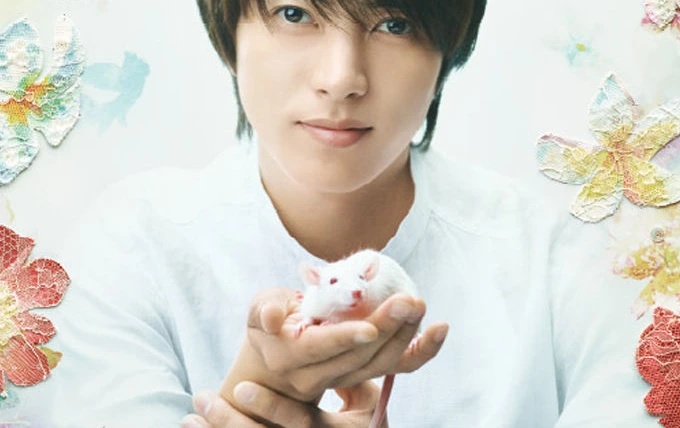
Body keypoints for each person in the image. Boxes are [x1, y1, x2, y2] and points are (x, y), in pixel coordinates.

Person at [45, 0, 656, 427]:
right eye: (295, 13)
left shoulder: (564, 259)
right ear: (228, 32)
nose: (341, 79)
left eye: (393, 22)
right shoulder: (131, 248)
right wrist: (256, 399)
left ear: (447, 46)